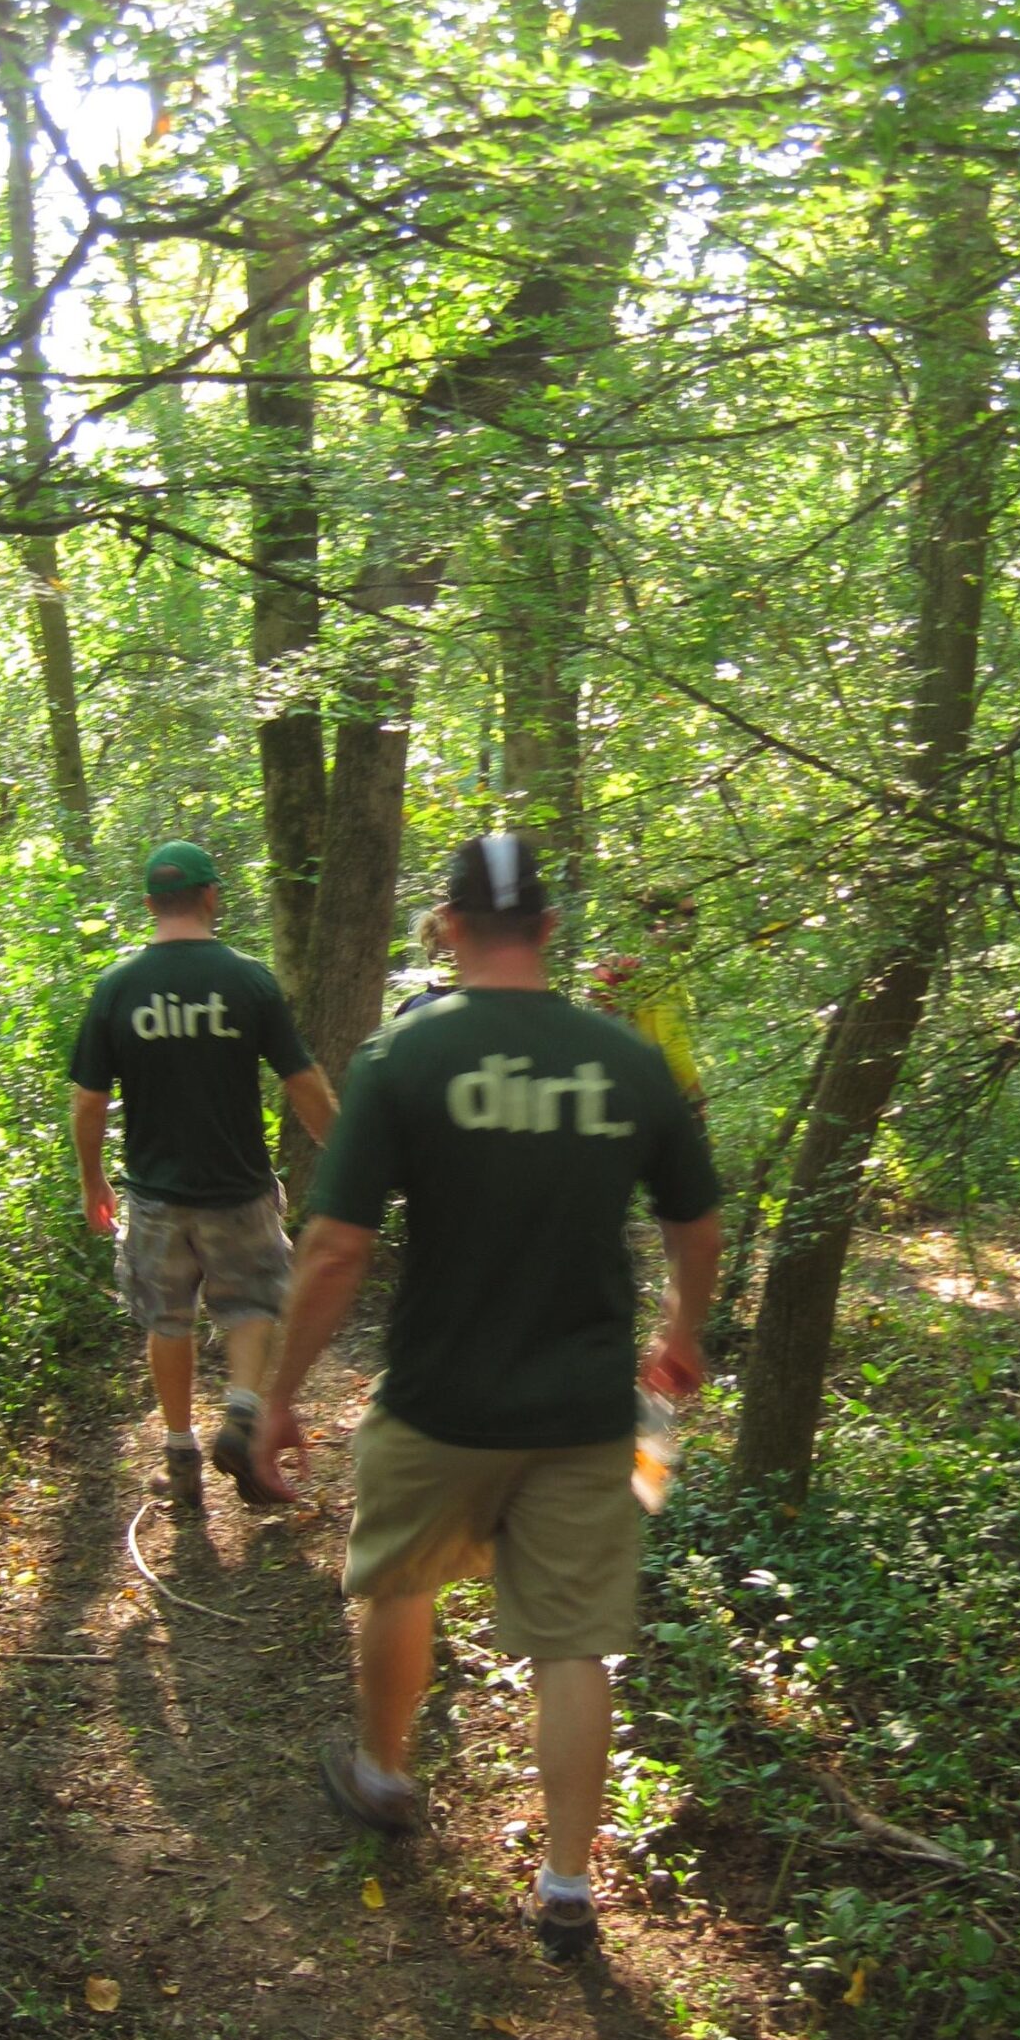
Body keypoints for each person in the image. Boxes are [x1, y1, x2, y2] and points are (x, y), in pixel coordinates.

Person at [253, 834, 722, 1959]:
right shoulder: (624, 1059)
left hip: (438, 1396)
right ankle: (567, 1885)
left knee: (402, 1579)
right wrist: (683, 1330)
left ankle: (382, 1771)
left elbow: (332, 1250)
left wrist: (278, 1395)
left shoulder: (406, 1057)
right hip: (583, 1409)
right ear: (549, 931)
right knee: (573, 1644)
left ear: (450, 926)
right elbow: (696, 1219)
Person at [69, 841, 337, 1512]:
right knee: (251, 1302)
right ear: (212, 896)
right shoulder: (248, 981)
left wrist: (93, 1182)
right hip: (238, 1189)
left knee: (169, 1318)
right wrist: (342, 1149)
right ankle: (243, 1412)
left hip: (156, 1195)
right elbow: (302, 1083)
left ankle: (181, 1456)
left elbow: (88, 1101)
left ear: (150, 905)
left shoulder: (118, 988)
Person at [589, 888, 705, 1116]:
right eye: (689, 914)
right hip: (646, 1103)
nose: (695, 922)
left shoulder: (624, 961)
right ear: (662, 921)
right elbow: (672, 1050)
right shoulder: (658, 974)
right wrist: (697, 1103)